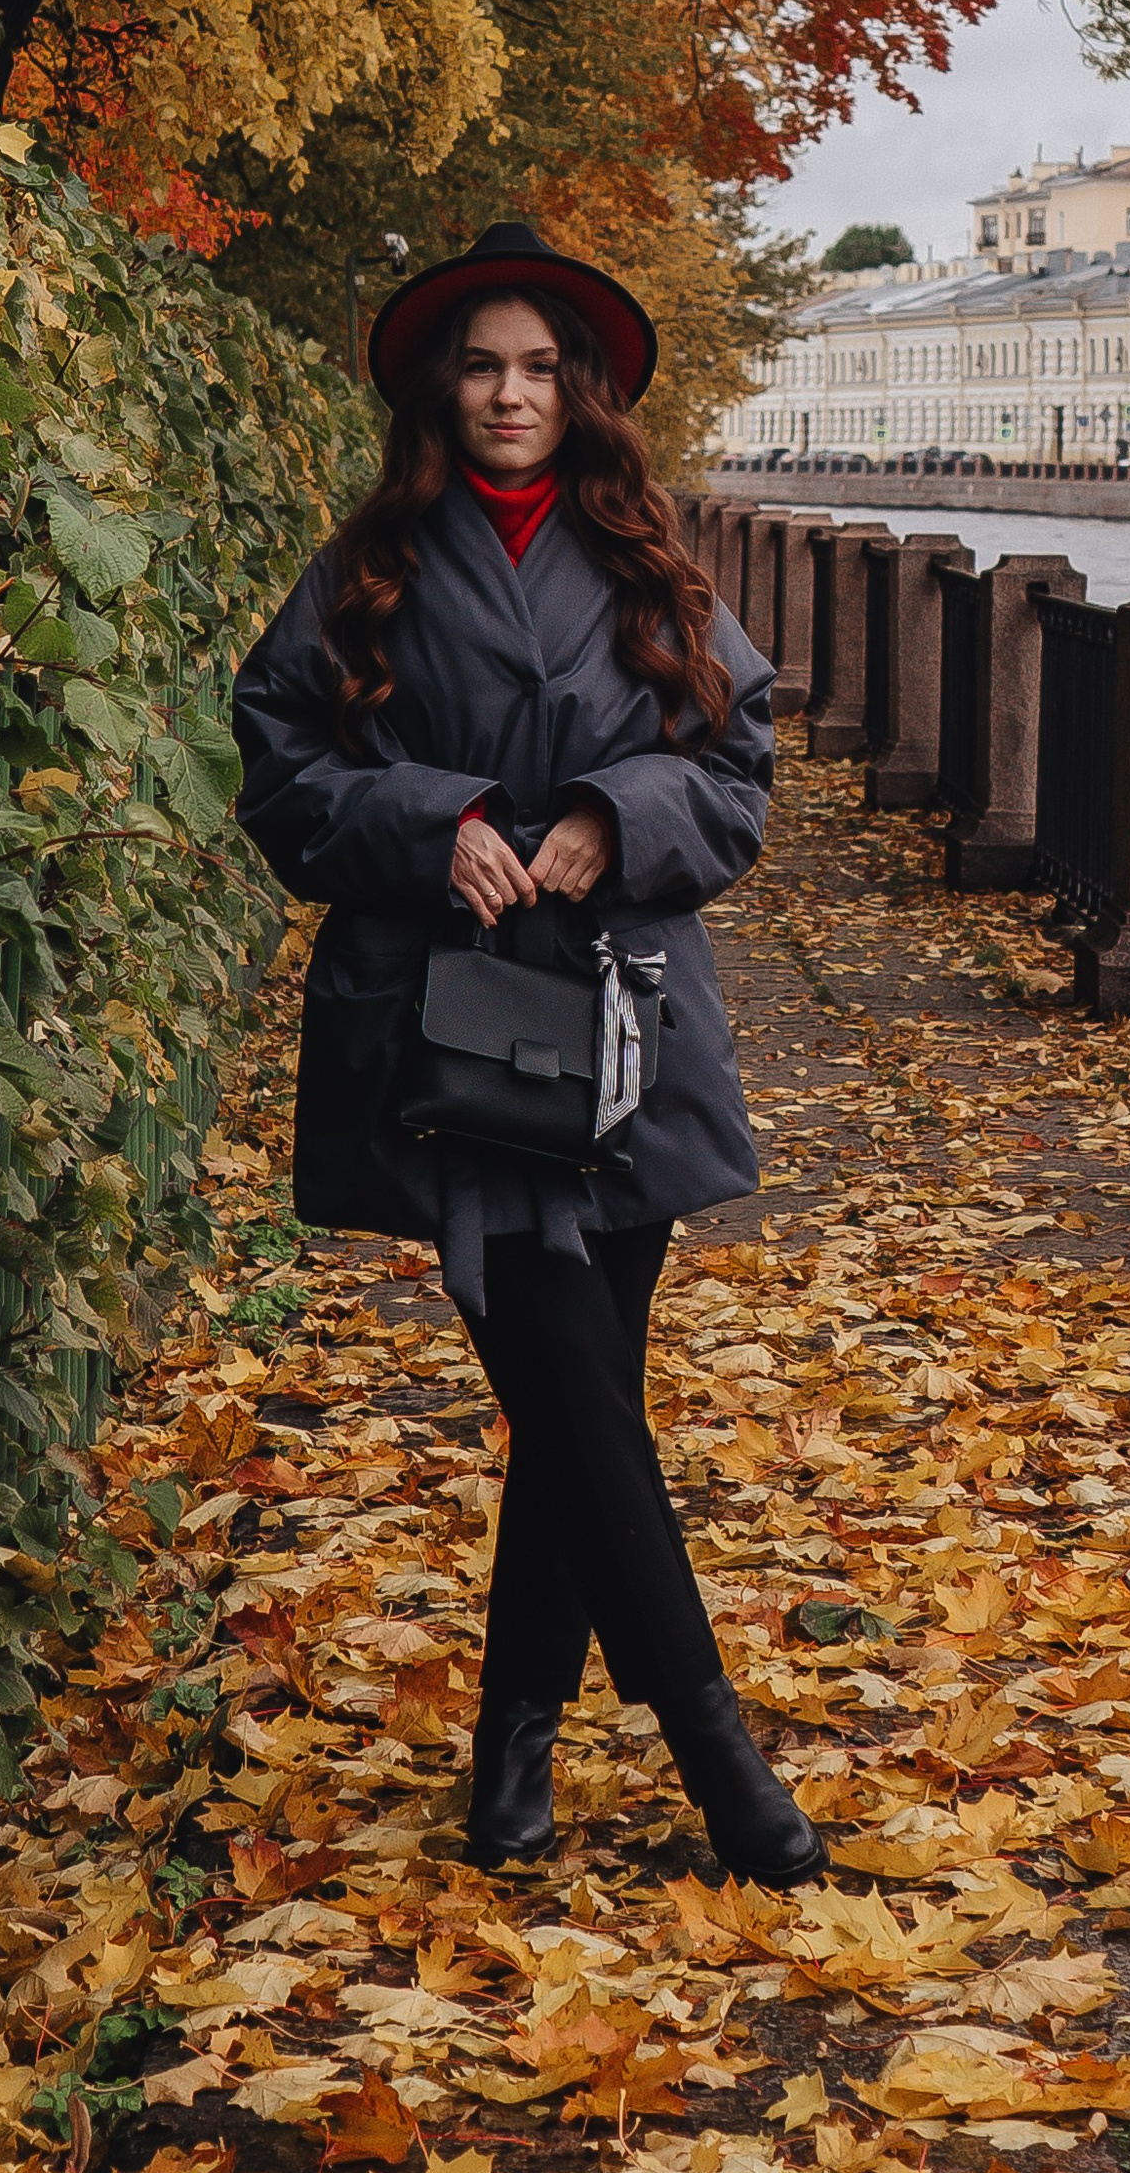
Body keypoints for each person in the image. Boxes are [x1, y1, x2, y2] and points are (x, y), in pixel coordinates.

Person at [232, 220, 825, 1889]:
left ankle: (516, 1753)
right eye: (485, 366)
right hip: (450, 1035)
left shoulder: (652, 562)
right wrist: (441, 827)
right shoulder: (368, 567)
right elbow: (281, 776)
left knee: (583, 1409)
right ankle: (720, 1759)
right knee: (572, 1390)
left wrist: (601, 818)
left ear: (585, 393)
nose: (512, 395)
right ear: (443, 386)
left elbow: (736, 778)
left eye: (541, 370)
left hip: (625, 1033)